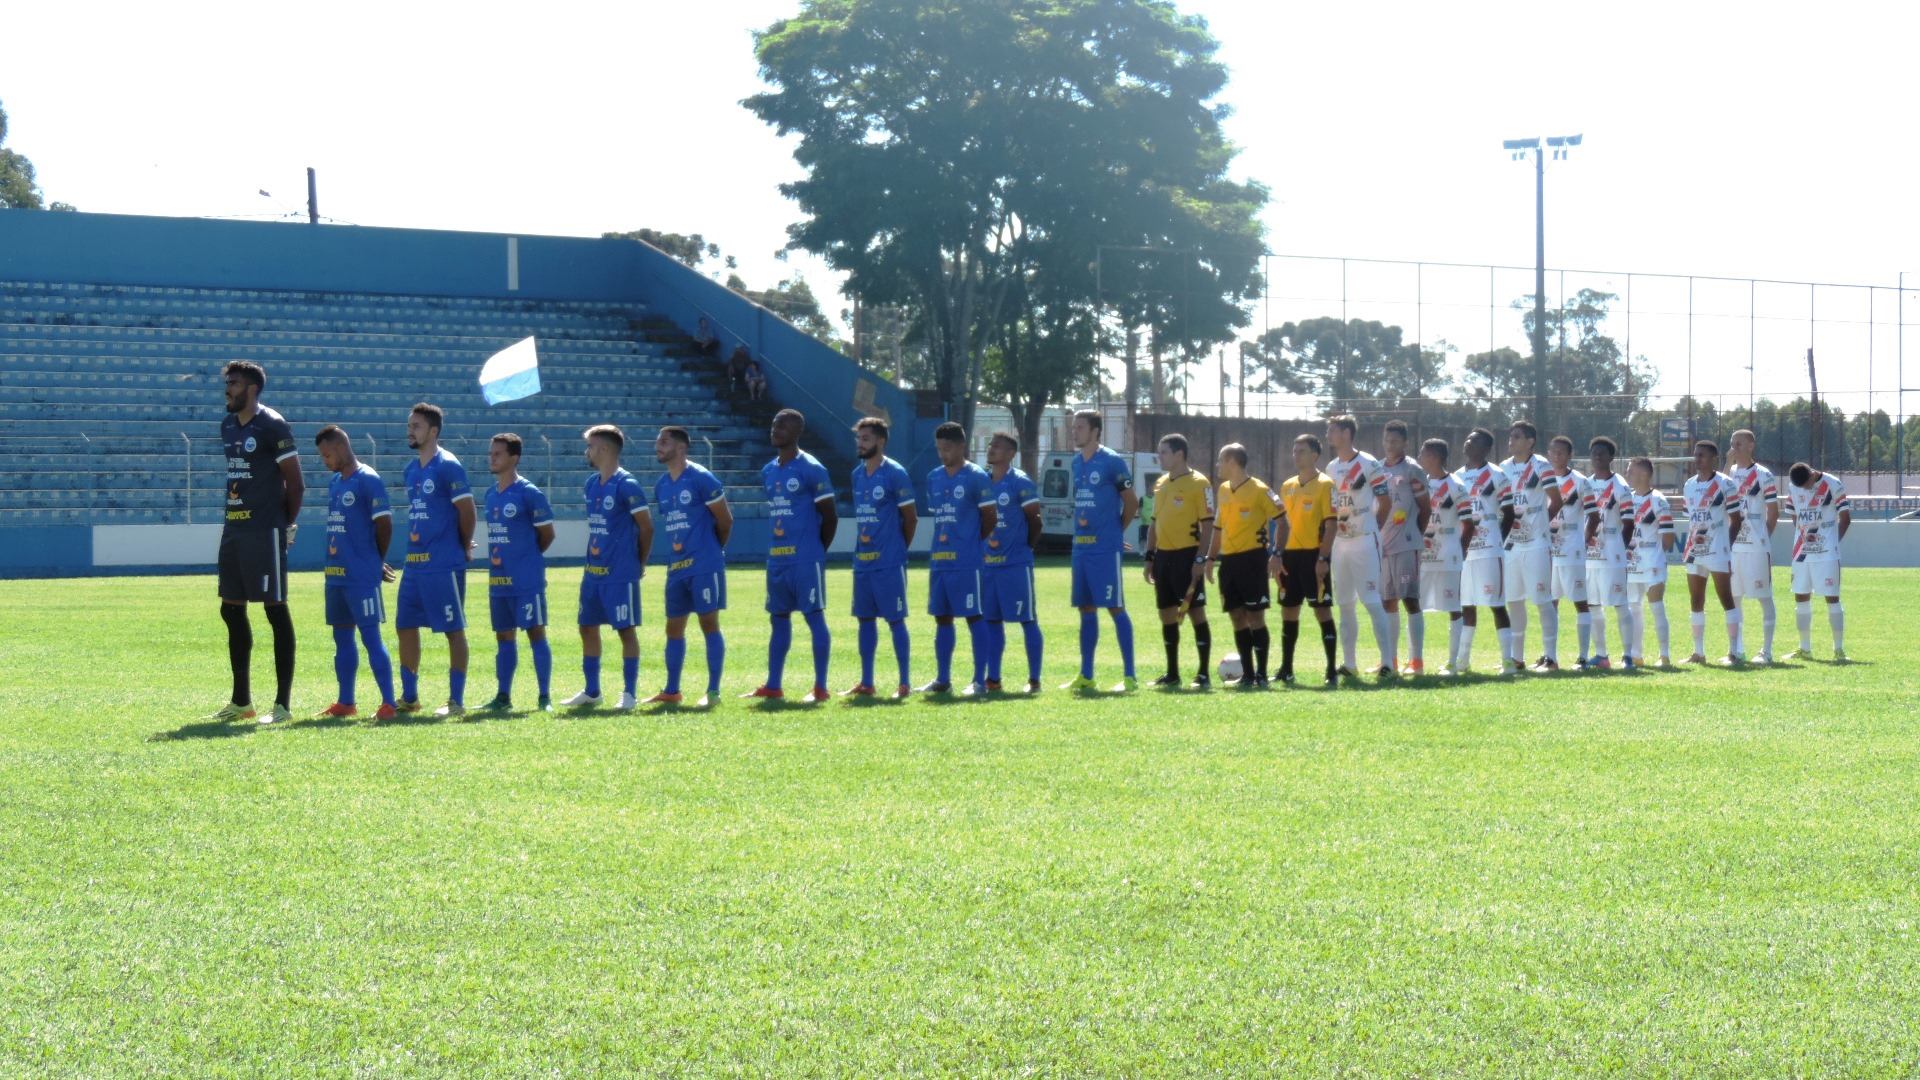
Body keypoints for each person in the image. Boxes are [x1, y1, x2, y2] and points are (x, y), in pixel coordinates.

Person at [212, 360, 303, 725]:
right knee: (231, 610)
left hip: (265, 531)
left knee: (274, 610)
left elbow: (295, 483)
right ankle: (242, 701)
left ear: (251, 388)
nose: (227, 389)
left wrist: (287, 524)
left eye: (233, 383)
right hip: (234, 528)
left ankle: (281, 705)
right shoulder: (227, 426)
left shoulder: (273, 425)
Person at [746, 409, 836, 702]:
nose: (776, 429)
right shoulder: (769, 470)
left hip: (805, 558)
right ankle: (774, 685)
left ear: (797, 432)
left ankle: (821, 687)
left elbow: (829, 517)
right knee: (778, 618)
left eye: (783, 426)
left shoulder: (812, 468)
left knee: (814, 617)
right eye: (774, 424)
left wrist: (816, 551)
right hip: (777, 558)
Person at [560, 425, 650, 710]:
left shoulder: (627, 485)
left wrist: (639, 562)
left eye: (590, 446)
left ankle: (629, 694)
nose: (587, 452)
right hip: (593, 572)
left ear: (605, 449)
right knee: (586, 627)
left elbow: (646, 526)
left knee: (626, 631)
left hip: (620, 573)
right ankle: (592, 691)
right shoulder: (590, 484)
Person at [395, 402, 475, 717]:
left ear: (433, 431)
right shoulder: (411, 470)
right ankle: (410, 697)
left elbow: (467, 510)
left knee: (453, 630)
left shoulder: (449, 466)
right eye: (409, 425)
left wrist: (463, 544)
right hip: (414, 563)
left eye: (416, 426)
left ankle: (456, 701)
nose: (410, 430)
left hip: (443, 562)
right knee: (405, 625)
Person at [314, 424, 397, 721]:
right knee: (342, 639)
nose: (325, 461)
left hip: (361, 576)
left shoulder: (368, 480)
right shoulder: (336, 483)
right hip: (335, 575)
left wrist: (375, 560)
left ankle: (389, 702)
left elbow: (384, 524)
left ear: (339, 448)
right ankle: (346, 701)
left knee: (371, 637)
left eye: (326, 455)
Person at [647, 426, 733, 705]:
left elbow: (725, 520)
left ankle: (713, 691)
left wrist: (712, 552)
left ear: (681, 447)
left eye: (664, 441)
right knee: (673, 628)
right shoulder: (661, 485)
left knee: (709, 622)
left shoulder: (701, 478)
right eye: (658, 441)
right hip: (676, 567)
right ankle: (672, 691)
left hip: (704, 564)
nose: (658, 445)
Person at [480, 433, 557, 713]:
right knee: (504, 638)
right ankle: (503, 696)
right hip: (498, 581)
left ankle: (544, 697)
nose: (492, 458)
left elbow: (547, 534)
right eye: (491, 453)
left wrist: (526, 558)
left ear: (514, 458)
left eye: (497, 454)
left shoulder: (529, 493)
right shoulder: (490, 495)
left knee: (536, 634)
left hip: (526, 580)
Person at [1063, 410, 1139, 692]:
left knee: (1115, 606)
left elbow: (1130, 502)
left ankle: (1130, 676)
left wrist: (1116, 531)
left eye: (1080, 427)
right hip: (1080, 547)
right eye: (1074, 427)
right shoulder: (1075, 463)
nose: (1075, 431)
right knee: (1085, 608)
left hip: (1104, 548)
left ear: (1095, 431)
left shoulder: (1112, 461)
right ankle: (1087, 674)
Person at [843, 417, 917, 698]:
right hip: (863, 561)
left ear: (881, 442)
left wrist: (897, 549)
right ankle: (867, 682)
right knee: (864, 620)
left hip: (889, 561)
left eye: (865, 439)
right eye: (858, 439)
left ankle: (904, 682)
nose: (860, 444)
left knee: (895, 620)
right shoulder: (857, 474)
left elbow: (910, 519)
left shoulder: (895, 473)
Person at [922, 421, 997, 695]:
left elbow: (990, 517)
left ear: (961, 446)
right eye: (940, 448)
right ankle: (943, 679)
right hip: (940, 561)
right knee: (942, 618)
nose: (943, 454)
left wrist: (970, 542)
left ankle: (979, 681)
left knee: (974, 617)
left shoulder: (976, 476)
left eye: (948, 448)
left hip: (967, 562)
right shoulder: (934, 477)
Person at [1205, 443, 1284, 689]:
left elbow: (1283, 522)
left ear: (1232, 462)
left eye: (1220, 460)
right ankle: (1247, 674)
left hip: (1253, 560)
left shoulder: (1260, 490)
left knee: (1255, 616)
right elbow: (1218, 528)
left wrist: (1276, 554)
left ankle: (1261, 674)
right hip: (1228, 562)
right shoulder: (1223, 490)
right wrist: (1209, 559)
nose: (1217, 465)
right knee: (1237, 617)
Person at [1324, 414, 1394, 680]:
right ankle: (1349, 663)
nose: (1328, 434)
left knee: (1372, 601)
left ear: (1346, 433)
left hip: (1365, 540)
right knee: (1344, 604)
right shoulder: (1330, 467)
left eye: (1332, 430)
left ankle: (1387, 662)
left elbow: (1385, 502)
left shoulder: (1368, 463)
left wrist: (1371, 528)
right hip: (1340, 543)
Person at [1142, 433, 1215, 688]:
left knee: (1196, 612)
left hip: (1187, 556)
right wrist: (1150, 557)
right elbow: (1154, 523)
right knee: (1166, 615)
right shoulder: (1161, 483)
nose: (1159, 456)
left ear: (1179, 454)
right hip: (1163, 557)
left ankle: (1203, 674)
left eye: (1163, 452)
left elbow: (1208, 525)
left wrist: (1200, 558)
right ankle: (1172, 673)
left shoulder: (1200, 483)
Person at [1498, 421, 1565, 671]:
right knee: (1514, 600)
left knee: (1542, 600)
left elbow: (1556, 500)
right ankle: (1517, 658)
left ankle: (1551, 657)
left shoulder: (1541, 466)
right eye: (1510, 436)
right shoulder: (1503, 468)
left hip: (1537, 545)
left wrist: (1540, 526)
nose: (1511, 441)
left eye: (1517, 437)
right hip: (1511, 546)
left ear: (1530, 441)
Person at [983, 431, 1045, 693]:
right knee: (991, 622)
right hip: (987, 565)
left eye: (997, 446)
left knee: (1027, 620)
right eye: (990, 445)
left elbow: (1035, 520)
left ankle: (1034, 680)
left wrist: (1024, 548)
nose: (991, 449)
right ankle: (993, 680)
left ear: (1011, 454)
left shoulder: (1019, 482)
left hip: (1015, 566)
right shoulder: (982, 482)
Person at [1454, 428, 1518, 674]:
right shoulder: (1457, 477)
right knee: (1466, 605)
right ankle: (1462, 660)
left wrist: (1496, 540)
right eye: (1468, 438)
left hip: (1490, 550)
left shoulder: (1497, 475)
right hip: (1464, 552)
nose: (1468, 442)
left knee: (1496, 604)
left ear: (1486, 448)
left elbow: (1510, 512)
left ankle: (1508, 661)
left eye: (1475, 440)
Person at [1277, 434, 1338, 684]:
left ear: (1314, 455)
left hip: (1314, 556)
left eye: (1301, 450)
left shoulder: (1326, 484)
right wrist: (1276, 553)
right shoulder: (1287, 485)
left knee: (1321, 611)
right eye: (1294, 450)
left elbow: (1332, 525)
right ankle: (1286, 669)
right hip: (1289, 557)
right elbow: (1281, 525)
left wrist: (1323, 557)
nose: (1296, 454)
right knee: (1288, 611)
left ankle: (1331, 670)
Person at [1680, 439, 1746, 665]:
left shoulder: (1725, 484)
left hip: (1718, 550)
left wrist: (1725, 546)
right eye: (1696, 455)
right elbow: (1691, 517)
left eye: (1702, 455)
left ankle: (1733, 652)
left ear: (1713, 459)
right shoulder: (1688, 485)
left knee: (1726, 599)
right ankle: (1698, 652)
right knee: (1695, 600)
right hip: (1694, 551)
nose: (1697, 459)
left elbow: (1736, 520)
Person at [1415, 438, 1476, 675]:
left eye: (1424, 453)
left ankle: (1453, 662)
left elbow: (1468, 524)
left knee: (1454, 608)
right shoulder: (1419, 484)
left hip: (1448, 556)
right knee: (1414, 606)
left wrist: (1458, 551)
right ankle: (1415, 661)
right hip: (1423, 557)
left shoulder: (1456, 486)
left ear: (1436, 457)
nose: (1420, 457)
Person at [1377, 420, 1431, 674]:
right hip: (1382, 546)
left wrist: (1414, 535)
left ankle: (1417, 661)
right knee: (1387, 601)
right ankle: (1391, 661)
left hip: (1406, 543)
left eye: (1395, 441)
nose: (1390, 445)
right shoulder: (1376, 469)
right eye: (1387, 440)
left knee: (1410, 599)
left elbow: (1426, 509)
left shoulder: (1413, 470)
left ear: (1405, 443)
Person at [1784, 461, 1851, 660]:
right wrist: (1803, 536)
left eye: (1806, 484)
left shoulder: (1833, 483)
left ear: (1812, 474)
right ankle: (1804, 648)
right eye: (1800, 487)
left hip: (1827, 553)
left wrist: (1832, 542)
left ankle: (1839, 650)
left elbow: (1846, 517)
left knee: (1832, 597)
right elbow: (1795, 516)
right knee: (1801, 596)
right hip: (1801, 553)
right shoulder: (1793, 486)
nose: (1804, 489)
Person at [1726, 429, 1780, 663]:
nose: (1734, 448)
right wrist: (1727, 466)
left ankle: (1766, 651)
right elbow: (1719, 496)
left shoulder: (1763, 475)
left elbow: (1773, 511)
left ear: (1751, 446)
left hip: (1757, 547)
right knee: (1734, 598)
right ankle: (1736, 650)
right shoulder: (1729, 475)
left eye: (1738, 444)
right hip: (1734, 548)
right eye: (1732, 444)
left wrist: (1763, 537)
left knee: (1764, 597)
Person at [1581, 436, 1635, 669]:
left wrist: (1619, 550)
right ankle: (1601, 655)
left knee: (1620, 604)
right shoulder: (1585, 484)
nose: (1597, 457)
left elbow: (1629, 522)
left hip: (1612, 554)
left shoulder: (1620, 486)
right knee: (1593, 605)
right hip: (1590, 556)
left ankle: (1628, 656)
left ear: (1611, 457)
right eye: (1594, 453)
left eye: (1602, 453)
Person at [1543, 435, 1593, 668]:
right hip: (1548, 550)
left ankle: (1582, 656)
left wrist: (1582, 542)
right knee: (1550, 602)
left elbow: (1594, 516)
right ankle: (1550, 657)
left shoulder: (1581, 482)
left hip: (1572, 550)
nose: (1555, 456)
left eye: (1560, 452)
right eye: (1552, 452)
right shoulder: (1542, 479)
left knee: (1580, 602)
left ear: (1570, 455)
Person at [1624, 457, 1677, 666]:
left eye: (1631, 471)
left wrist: (1655, 555)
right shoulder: (1626, 499)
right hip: (1630, 564)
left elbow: (1668, 537)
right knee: (1633, 608)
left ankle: (1664, 655)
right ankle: (1635, 654)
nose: (1628, 474)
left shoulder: (1658, 500)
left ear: (1644, 474)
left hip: (1651, 563)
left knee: (1656, 607)